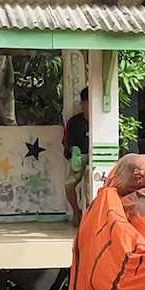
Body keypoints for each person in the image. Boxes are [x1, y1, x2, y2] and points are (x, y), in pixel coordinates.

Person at [62, 87, 90, 227]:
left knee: (89, 187)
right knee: (69, 186)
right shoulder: (74, 122)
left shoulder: (102, 120)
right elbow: (67, 142)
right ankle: (76, 212)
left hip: (96, 158)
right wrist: (73, 153)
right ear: (82, 104)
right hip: (79, 158)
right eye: (87, 102)